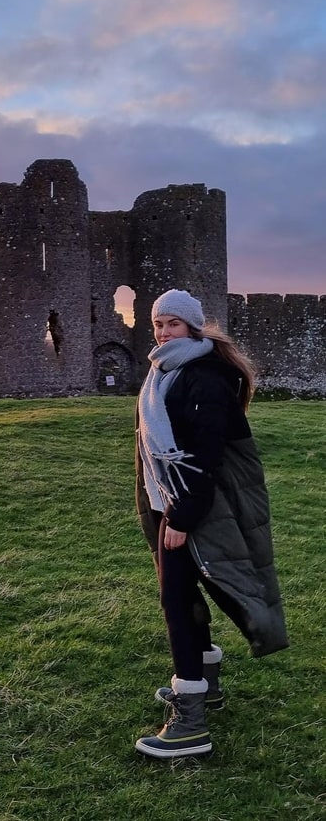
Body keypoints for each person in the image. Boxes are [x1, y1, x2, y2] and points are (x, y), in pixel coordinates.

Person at [134, 289, 288, 759]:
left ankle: (190, 722)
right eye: (158, 324)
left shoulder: (204, 375)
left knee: (177, 603)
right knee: (181, 592)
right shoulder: (165, 370)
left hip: (197, 505)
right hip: (171, 499)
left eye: (173, 324)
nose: (163, 332)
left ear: (194, 328)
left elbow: (205, 455)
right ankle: (205, 683)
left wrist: (181, 516)